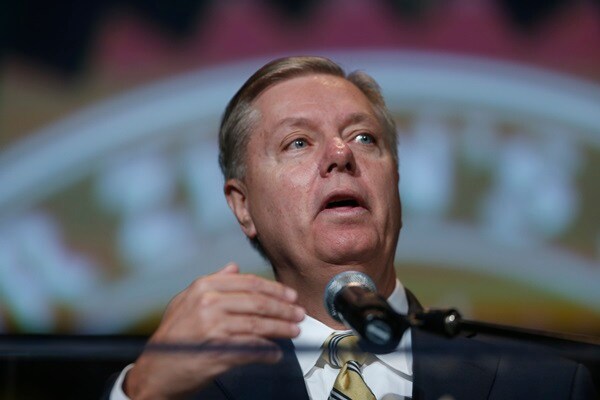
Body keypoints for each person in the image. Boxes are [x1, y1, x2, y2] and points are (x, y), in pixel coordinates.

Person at [107, 56, 597, 399]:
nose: (341, 154)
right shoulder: (188, 390)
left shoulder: (541, 385)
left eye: (363, 138)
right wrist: (143, 392)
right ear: (243, 206)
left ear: (394, 182)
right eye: (298, 143)